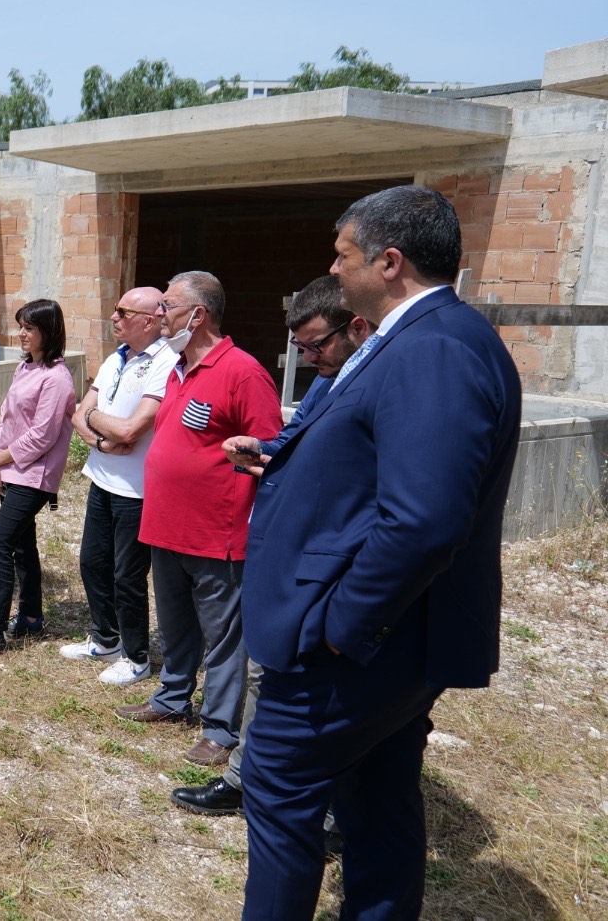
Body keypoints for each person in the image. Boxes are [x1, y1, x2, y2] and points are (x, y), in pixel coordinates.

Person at [239, 186, 520, 919]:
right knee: (376, 793)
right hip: (384, 641)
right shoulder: (412, 336)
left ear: (389, 262)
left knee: (277, 788)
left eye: (342, 253)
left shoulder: (435, 348)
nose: (333, 268)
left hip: (361, 646)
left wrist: (342, 627)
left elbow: (424, 520)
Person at [171, 274, 370, 817]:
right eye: (300, 346)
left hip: (331, 558)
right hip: (290, 549)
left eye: (315, 344)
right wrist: (261, 449)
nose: (306, 358)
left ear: (355, 328)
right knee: (268, 669)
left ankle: (323, 810)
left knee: (314, 685)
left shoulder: (374, 384)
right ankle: (246, 780)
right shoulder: (328, 379)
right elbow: (293, 438)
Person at [117, 271, 282, 768]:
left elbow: (271, 448)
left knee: (224, 636)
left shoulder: (243, 372)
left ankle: (220, 729)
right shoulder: (176, 368)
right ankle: (172, 698)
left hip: (216, 532)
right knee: (175, 622)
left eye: (167, 305)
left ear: (198, 314)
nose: (159, 314)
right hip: (166, 524)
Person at [61, 286, 172, 684]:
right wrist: (102, 441)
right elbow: (79, 414)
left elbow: (131, 429)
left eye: (123, 312)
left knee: (128, 576)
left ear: (149, 320)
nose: (114, 318)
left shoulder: (165, 361)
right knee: (92, 563)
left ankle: (137, 657)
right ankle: (105, 639)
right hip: (102, 477)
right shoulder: (115, 357)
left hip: (137, 491)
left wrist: (97, 423)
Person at [0, 299, 75, 657]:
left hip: (36, 476)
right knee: (23, 546)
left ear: (48, 332)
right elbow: (8, 419)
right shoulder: (27, 367)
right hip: (13, 468)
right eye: (20, 326)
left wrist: (3, 457)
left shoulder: (57, 378)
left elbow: (44, 434)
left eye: (29, 328)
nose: (21, 333)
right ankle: (31, 618)